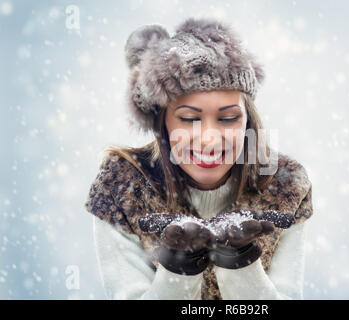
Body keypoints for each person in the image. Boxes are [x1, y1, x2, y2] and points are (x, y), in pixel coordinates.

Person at [84, 17, 314, 300]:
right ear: (162, 124)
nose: (209, 138)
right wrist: (179, 269)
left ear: (247, 120)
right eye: (190, 118)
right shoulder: (121, 186)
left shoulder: (285, 186)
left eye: (228, 118)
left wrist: (238, 260)